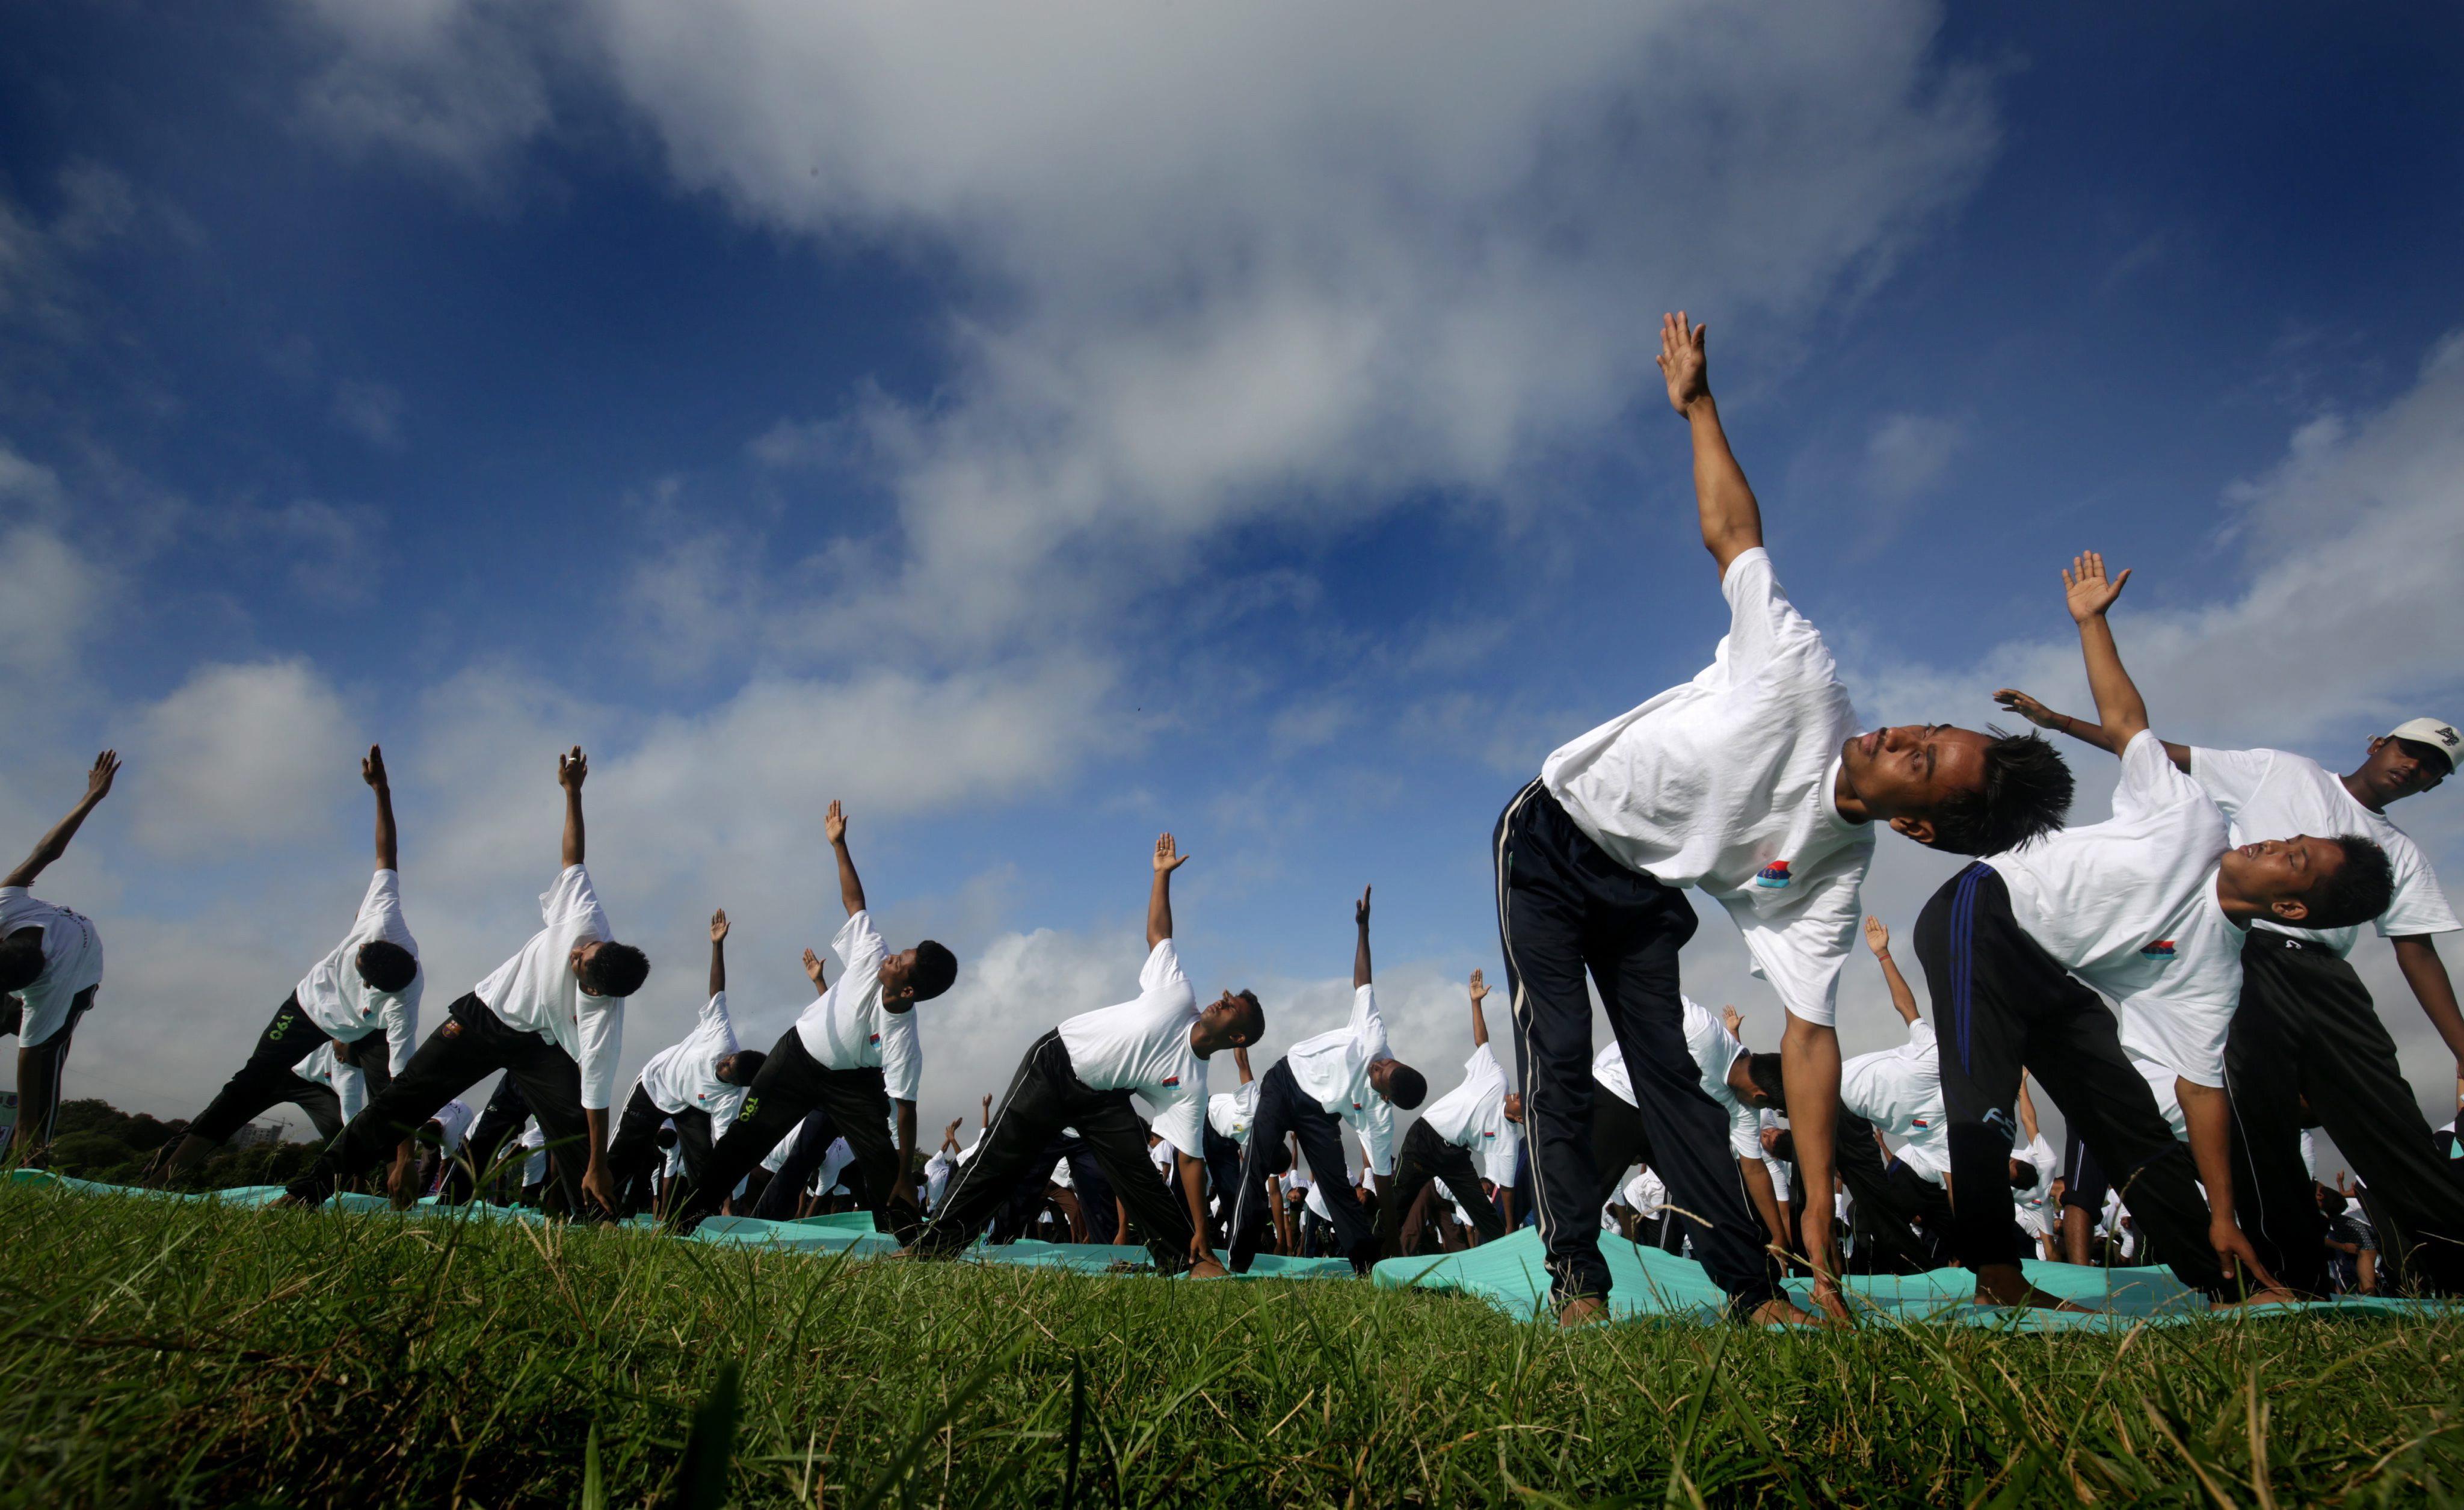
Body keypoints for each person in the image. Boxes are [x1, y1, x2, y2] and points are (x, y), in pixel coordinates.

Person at [1495, 316, 2077, 1325]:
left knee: (1673, 1080)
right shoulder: (1802, 676)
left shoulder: (1827, 878)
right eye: (1922, 727)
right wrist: (1699, 407)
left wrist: (1817, 1196)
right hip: (1552, 833)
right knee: (1557, 1052)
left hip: (1641, 892)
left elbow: (1811, 1041)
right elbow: (1735, 539)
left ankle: (1752, 1291)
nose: (1900, 735)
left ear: (1923, 831)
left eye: (1923, 761)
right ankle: (1578, 1286)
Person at [1912, 553, 2394, 1308]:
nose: (2271, 842)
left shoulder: (2212, 971)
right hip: (1984, 907)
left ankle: (2224, 1282)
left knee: (2128, 1117)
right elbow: (2130, 723)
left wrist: (2226, 1212)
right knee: (1984, 1091)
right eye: (2285, 836)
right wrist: (2092, 622)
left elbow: (2200, 1093)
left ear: (2292, 909)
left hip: (2052, 977)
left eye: (2292, 857)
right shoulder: (2189, 816)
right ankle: (1999, 1278)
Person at [1995, 691, 2464, 1295]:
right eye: (2409, 750)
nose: (2413, 766)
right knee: (2256, 1119)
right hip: (2247, 952)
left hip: (2327, 976)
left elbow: (2415, 949)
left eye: (2430, 768)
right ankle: (2287, 1275)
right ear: (2378, 743)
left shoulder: (2398, 852)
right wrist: (2058, 722)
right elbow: (2158, 753)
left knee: (2391, 1118)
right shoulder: (2286, 772)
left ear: (2431, 787)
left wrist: (2459, 1047)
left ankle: (2450, 1263)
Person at [285, 746, 651, 1212]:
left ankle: (600, 1220)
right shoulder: (587, 918)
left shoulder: (599, 1022)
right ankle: (306, 1191)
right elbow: (573, 857)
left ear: (594, 991)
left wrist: (599, 1162)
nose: (577, 951)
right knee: (400, 1101)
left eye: (581, 962)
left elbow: (595, 1096)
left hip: (545, 1047)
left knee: (577, 1134)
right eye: (586, 948)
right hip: (485, 1018)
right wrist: (573, 794)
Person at [914, 834, 1255, 1274]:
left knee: (1140, 1177)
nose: (1220, 1002)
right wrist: (1161, 876)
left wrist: (1203, 1234)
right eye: (1224, 997)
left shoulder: (1191, 1084)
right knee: (998, 1159)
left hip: (1103, 1102)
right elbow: (1159, 934)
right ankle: (932, 1249)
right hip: (1056, 1064)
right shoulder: (1177, 993)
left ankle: (1186, 1261)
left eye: (1232, 1008)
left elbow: (1190, 1161)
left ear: (1240, 1039)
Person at [671, 801, 955, 1234]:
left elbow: (905, 1108)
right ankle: (684, 1222)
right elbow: (855, 901)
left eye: (900, 961)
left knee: (881, 1162)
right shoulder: (871, 955)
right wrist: (839, 845)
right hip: (796, 1059)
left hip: (853, 1083)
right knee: (744, 1140)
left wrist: (903, 1174)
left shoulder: (901, 1037)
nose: (891, 957)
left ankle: (910, 1241)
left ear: (909, 990)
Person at [162, 747, 424, 1184]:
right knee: (250, 1083)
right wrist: (381, 790)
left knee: (386, 1102)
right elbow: (387, 853)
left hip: (366, 1029)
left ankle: (385, 1178)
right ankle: (169, 1170)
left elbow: (405, 1083)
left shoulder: (401, 1005)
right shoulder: (384, 919)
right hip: (308, 1008)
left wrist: (407, 1158)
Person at [1227, 886, 1424, 1275]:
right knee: (1259, 1158)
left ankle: (1367, 1266)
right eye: (1385, 1066)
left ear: (1384, 1097)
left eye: (1379, 1078)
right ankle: (1238, 1258)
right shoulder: (1375, 1035)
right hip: (1286, 1081)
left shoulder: (1378, 1116)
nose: (1377, 1067)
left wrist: (1390, 1232)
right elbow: (1363, 981)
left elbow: (1382, 1178)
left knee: (1336, 1185)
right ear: (1394, 1060)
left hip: (1320, 1116)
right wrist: (1363, 929)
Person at [1588, 997, 1789, 1269]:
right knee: (1585, 1202)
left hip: (1660, 1121)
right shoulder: (1703, 1031)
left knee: (1711, 1200)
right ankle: (1569, 1283)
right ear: (1761, 1095)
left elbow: (1755, 1170)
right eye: (1774, 1109)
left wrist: (1778, 1235)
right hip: (1619, 1092)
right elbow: (1648, 991)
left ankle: (1753, 1292)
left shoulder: (1745, 1110)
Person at [0, 750, 119, 1164]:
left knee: (44, 1062)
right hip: (43, 955)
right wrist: (92, 797)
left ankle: (34, 1157)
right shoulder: (5, 905)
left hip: (81, 974)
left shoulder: (49, 995)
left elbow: (30, 1071)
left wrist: (24, 1143)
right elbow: (47, 851)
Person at [605, 910, 760, 1216]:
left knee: (705, 1166)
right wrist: (717, 945)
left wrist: (730, 1186)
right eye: (729, 1059)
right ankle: (598, 1213)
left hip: (689, 1105)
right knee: (624, 1150)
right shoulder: (722, 1037)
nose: (724, 1063)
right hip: (655, 1084)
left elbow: (722, 1138)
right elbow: (718, 991)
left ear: (734, 1084)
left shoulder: (727, 1099)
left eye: (728, 1070)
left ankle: (696, 1219)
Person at [1379, 969, 1521, 1256]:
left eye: (1523, 1103)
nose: (1518, 1094)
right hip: (1426, 1137)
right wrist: (1476, 1002)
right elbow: (1483, 1042)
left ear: (1520, 1118)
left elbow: (1507, 1188)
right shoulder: (1496, 1079)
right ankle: (1371, 1259)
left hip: (1454, 1157)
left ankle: (1505, 1257)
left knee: (1484, 1214)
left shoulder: (1506, 1139)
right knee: (1398, 1202)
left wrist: (1509, 1227)